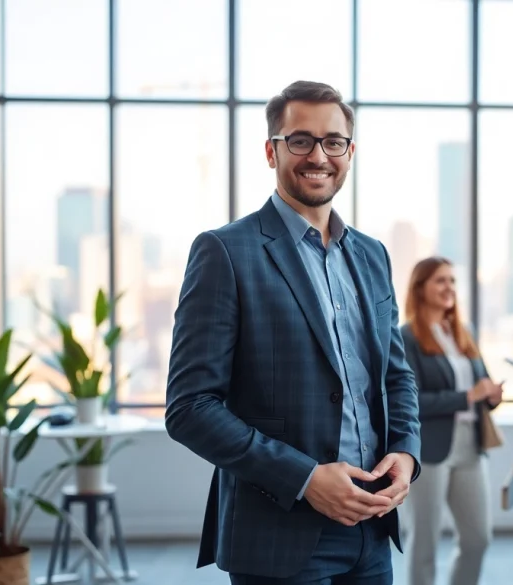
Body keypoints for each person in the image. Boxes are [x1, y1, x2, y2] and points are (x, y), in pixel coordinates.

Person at [164, 80, 422, 585]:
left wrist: (406, 452)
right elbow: (190, 407)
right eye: (300, 140)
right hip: (279, 535)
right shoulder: (225, 252)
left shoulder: (372, 255)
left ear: (350, 152)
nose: (318, 156)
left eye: (333, 142)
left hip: (372, 528)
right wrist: (304, 480)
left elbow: (397, 376)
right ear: (271, 151)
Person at [399, 256, 503, 585]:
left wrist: (490, 396)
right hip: (429, 449)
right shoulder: (407, 337)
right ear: (420, 288)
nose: (450, 288)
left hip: (469, 447)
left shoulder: (463, 333)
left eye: (453, 281)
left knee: (478, 539)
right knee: (424, 542)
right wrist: (467, 397)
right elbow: (410, 400)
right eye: (440, 281)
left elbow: (480, 382)